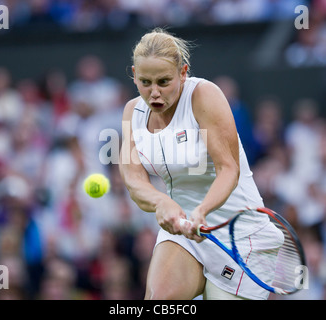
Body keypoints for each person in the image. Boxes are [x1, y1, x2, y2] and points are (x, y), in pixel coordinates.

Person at [119, 28, 278, 300]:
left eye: (164, 81)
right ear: (133, 74)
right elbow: (133, 179)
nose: (154, 92)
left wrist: (202, 211)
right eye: (145, 82)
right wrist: (162, 202)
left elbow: (229, 169)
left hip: (240, 236)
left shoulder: (204, 96)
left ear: (183, 72)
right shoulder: (133, 112)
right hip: (185, 231)